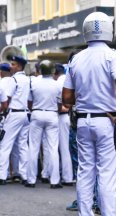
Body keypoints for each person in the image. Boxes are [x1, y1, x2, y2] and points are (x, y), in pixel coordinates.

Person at [62, 12, 116, 216]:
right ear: (107, 31)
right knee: (107, 175)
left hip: (83, 121)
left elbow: (67, 97)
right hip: (107, 121)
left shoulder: (76, 59)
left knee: (85, 174)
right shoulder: (112, 55)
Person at [25, 60, 62, 188]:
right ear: (53, 71)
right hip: (52, 114)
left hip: (36, 113)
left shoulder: (34, 83)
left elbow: (29, 102)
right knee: (53, 148)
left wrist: (34, 109)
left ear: (40, 70)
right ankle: (55, 181)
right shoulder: (57, 85)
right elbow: (59, 104)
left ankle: (31, 180)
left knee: (33, 148)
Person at [0, 55, 30, 185]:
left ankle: (2, 175)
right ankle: (24, 175)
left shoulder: (14, 80)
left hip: (14, 113)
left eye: (13, 64)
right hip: (25, 114)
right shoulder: (29, 79)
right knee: (23, 145)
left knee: (5, 145)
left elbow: (7, 98)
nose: (11, 66)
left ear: (19, 66)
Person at [54, 63, 74, 186]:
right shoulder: (67, 78)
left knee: (63, 148)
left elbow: (61, 104)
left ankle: (66, 176)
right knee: (66, 148)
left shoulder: (59, 82)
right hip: (69, 117)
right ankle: (67, 176)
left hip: (62, 116)